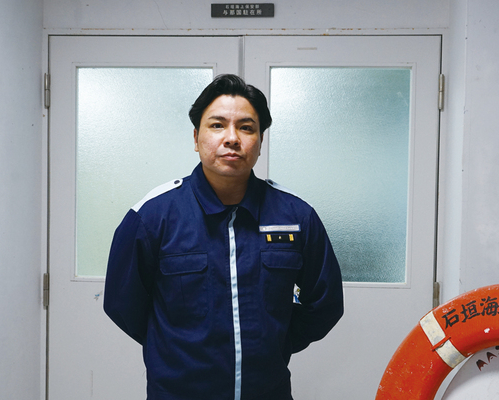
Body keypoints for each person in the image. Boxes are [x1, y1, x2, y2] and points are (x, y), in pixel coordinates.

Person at [104, 74, 344, 400]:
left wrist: (275, 342)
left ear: (260, 140)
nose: (232, 138)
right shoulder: (152, 216)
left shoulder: (296, 216)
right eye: (217, 125)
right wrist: (174, 348)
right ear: (196, 137)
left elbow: (326, 302)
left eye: (246, 128)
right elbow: (122, 304)